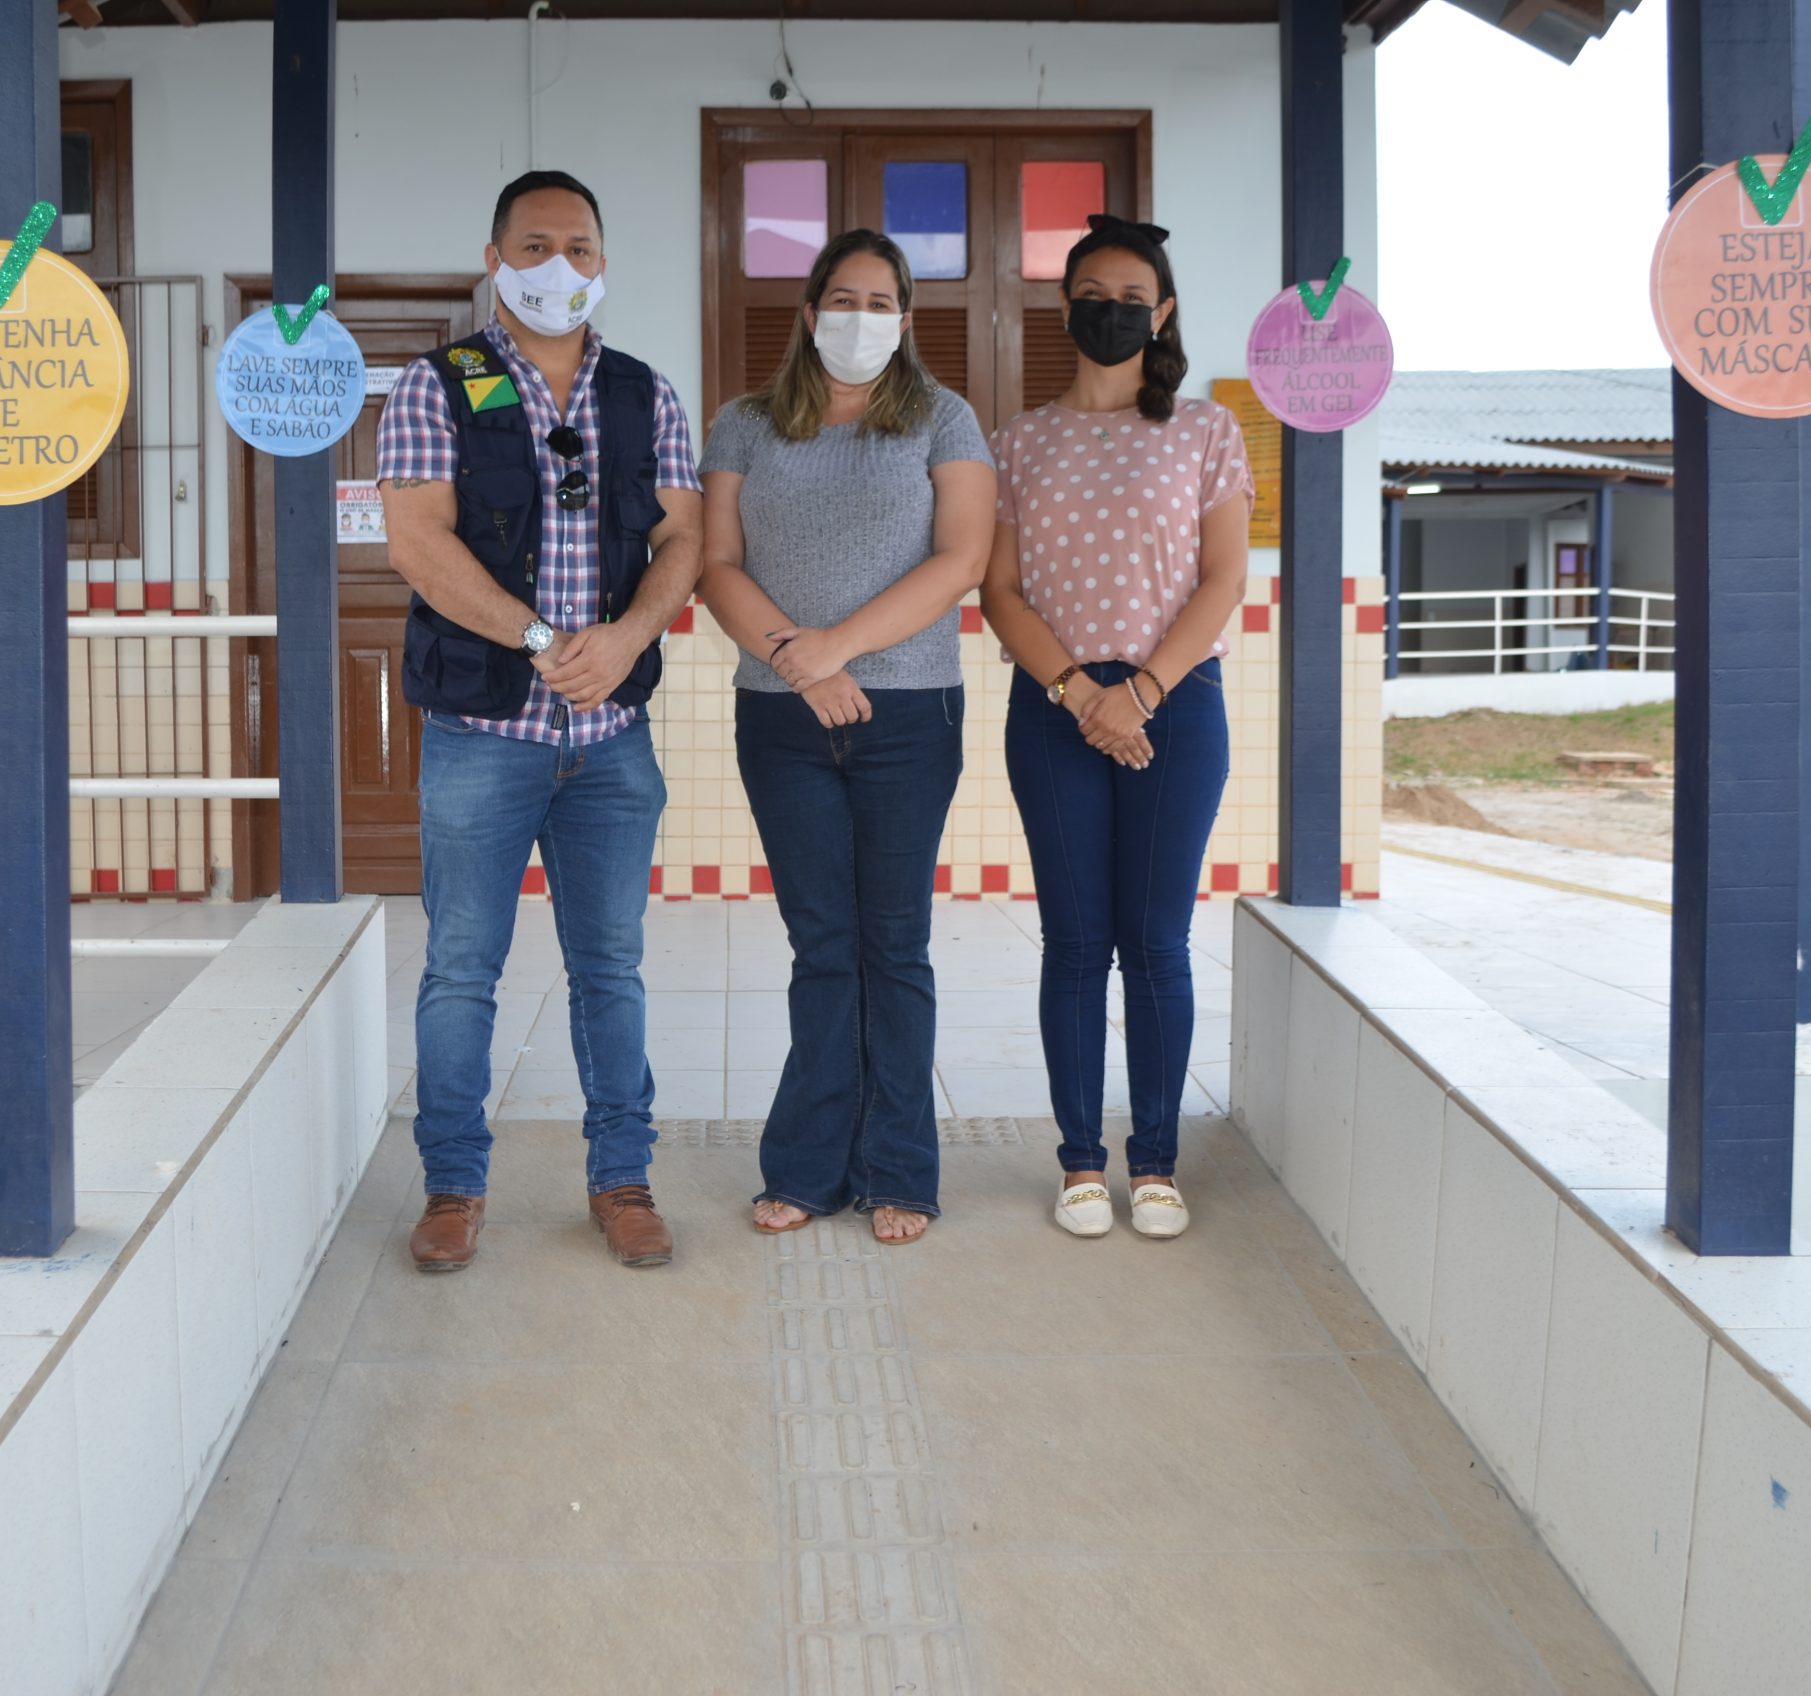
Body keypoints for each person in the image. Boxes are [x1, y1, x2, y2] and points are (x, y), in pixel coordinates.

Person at [376, 170, 703, 1273]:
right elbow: (419, 543)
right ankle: (453, 1187)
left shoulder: (645, 394)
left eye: (576, 245)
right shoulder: (438, 385)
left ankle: (622, 1178)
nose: (555, 265)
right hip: (484, 735)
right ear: (494, 256)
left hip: (612, 742)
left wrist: (622, 641)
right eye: (533, 245)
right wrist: (536, 641)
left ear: (603, 262)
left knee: (610, 966)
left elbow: (683, 542)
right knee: (462, 967)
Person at [697, 229, 994, 1246]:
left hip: (910, 715)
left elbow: (961, 558)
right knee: (822, 944)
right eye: (842, 297)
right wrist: (795, 662)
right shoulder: (742, 425)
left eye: (879, 302)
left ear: (905, 320)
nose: (858, 317)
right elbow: (715, 562)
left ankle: (900, 1168)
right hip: (780, 719)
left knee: (893, 943)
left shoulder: (942, 421)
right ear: (808, 308)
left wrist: (834, 651)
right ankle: (808, 1167)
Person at [980, 214, 1251, 1241]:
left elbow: (1222, 577)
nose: (1111, 310)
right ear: (1065, 306)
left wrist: (1136, 693)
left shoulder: (1204, 430)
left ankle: (1158, 1161)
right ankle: (1081, 1161)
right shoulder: (1016, 441)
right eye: (1092, 292)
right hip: (1052, 709)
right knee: (1073, 941)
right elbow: (998, 588)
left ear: (1162, 312)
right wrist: (1076, 691)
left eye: (1132, 297)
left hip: (1174, 707)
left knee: (1156, 943)